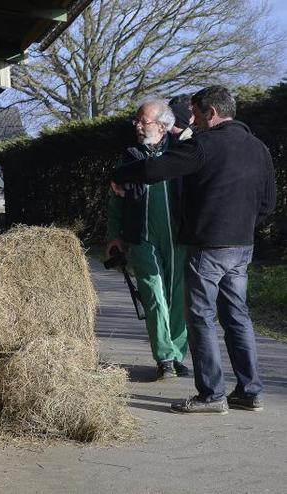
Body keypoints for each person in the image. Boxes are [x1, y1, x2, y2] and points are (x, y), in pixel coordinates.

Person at [111, 86, 276, 415]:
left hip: (207, 247)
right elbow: (268, 203)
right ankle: (249, 391)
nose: (193, 122)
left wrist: (118, 174)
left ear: (212, 114)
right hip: (242, 247)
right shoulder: (259, 148)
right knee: (238, 318)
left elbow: (153, 170)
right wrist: (241, 226)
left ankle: (212, 395)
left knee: (200, 317)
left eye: (197, 115)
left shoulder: (203, 146)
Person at [106, 99, 188, 380]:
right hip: (140, 237)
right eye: (137, 121)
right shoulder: (129, 156)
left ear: (163, 126)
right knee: (153, 294)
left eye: (144, 121)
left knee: (178, 298)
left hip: (179, 237)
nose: (138, 126)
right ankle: (164, 357)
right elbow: (114, 201)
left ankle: (177, 353)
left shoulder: (180, 151)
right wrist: (114, 235)